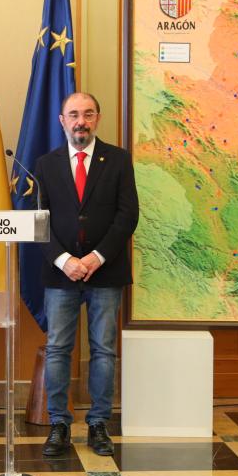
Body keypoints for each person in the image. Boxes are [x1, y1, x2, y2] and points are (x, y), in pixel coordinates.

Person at [34, 92, 139, 457]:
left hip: (105, 273)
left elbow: (128, 216)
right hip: (61, 274)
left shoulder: (119, 160)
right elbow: (39, 222)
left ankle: (98, 424)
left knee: (104, 350)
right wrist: (65, 260)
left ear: (98, 118)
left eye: (88, 114)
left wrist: (96, 257)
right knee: (59, 350)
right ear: (62, 120)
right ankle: (59, 424)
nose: (81, 121)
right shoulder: (45, 164)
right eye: (74, 114)